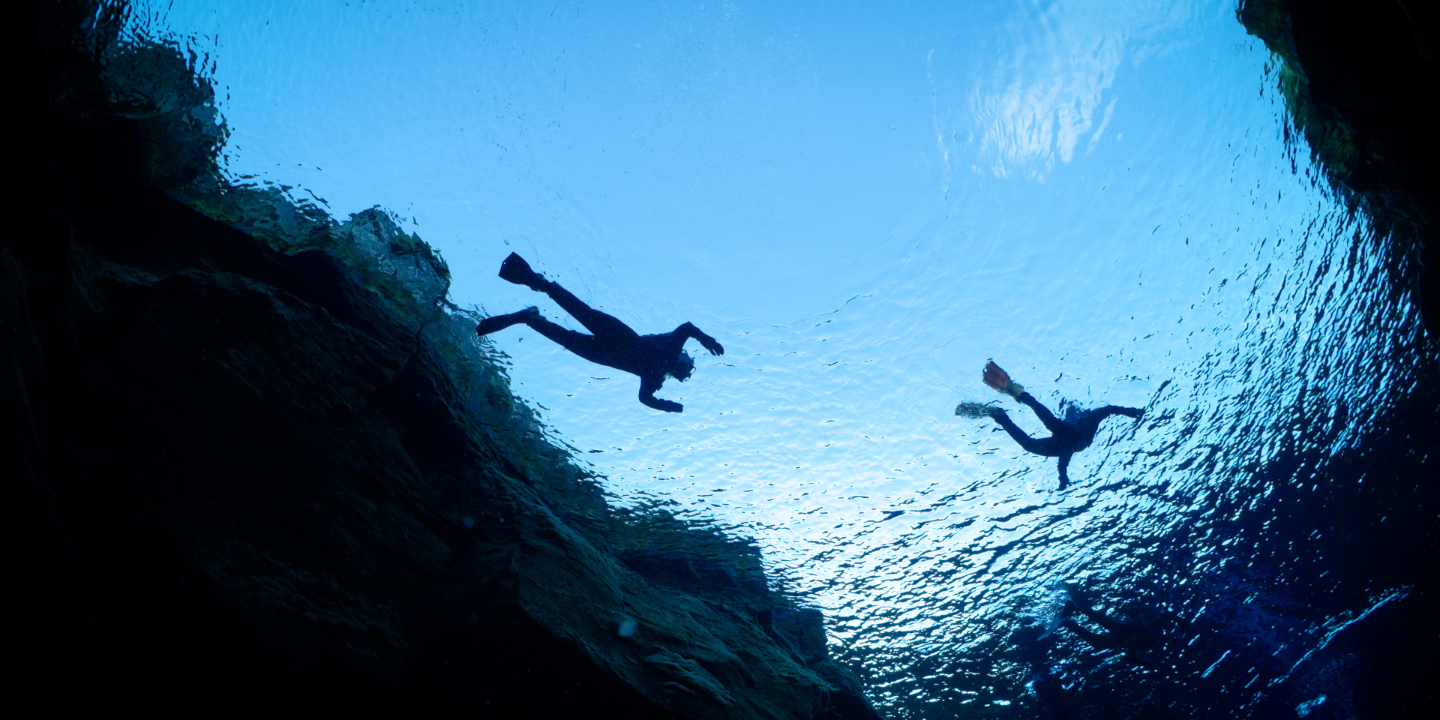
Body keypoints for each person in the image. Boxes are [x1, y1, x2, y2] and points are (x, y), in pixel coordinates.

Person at [475, 253, 724, 413]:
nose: (686, 373)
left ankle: (527, 317)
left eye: (686, 376)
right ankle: (538, 283)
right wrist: (706, 339)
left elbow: (644, 399)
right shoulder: (671, 346)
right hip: (616, 334)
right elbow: (688, 327)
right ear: (683, 358)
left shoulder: (656, 377)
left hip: (601, 353)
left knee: (564, 336)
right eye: (690, 368)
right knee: (579, 310)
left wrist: (663, 405)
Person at [956, 361, 1142, 489]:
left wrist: (1063, 479)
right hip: (1073, 440)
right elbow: (1107, 410)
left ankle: (1000, 415)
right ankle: (1017, 395)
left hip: (1070, 442)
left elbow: (1106, 410)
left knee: (1031, 443)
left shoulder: (1087, 420)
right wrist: (1130, 411)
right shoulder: (1083, 425)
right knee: (1051, 424)